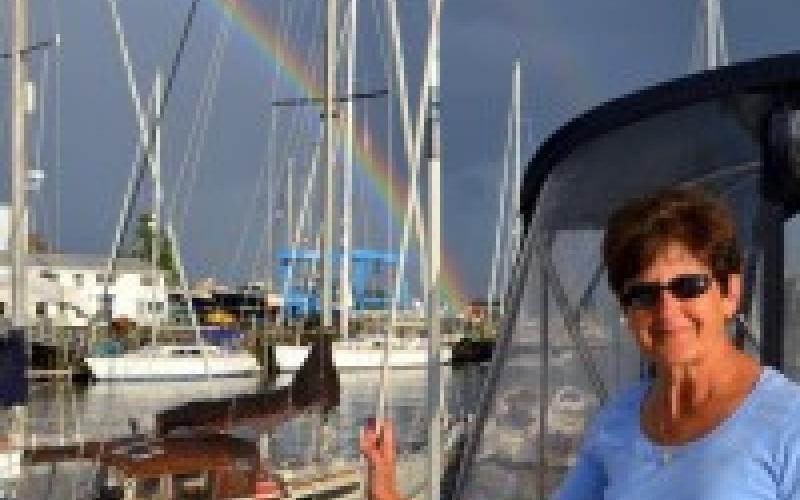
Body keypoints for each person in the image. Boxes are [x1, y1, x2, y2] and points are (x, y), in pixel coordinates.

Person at [360, 187, 800, 500]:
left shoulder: (787, 425)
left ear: (729, 292)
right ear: (627, 313)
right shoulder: (621, 421)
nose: (667, 310)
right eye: (643, 294)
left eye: (688, 286)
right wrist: (387, 491)